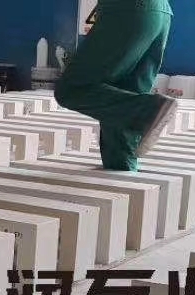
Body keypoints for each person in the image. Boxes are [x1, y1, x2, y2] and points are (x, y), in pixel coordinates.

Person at [53, 0, 179, 172]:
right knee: (121, 105)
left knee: (71, 89)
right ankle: (123, 172)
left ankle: (148, 110)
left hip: (126, 10)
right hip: (159, 13)